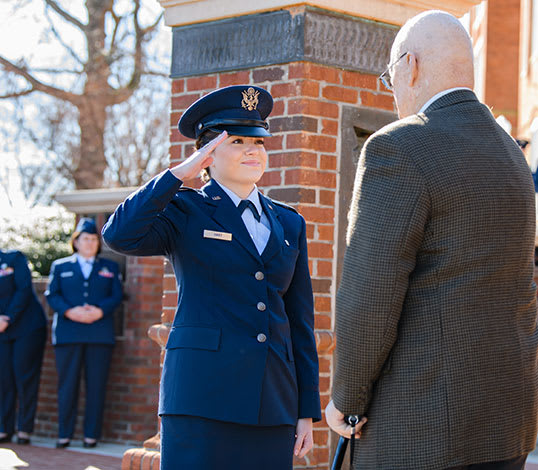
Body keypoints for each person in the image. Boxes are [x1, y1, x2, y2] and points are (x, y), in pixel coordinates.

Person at [326, 10, 538, 470]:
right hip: (506, 424)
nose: (395, 88)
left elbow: (370, 295)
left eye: (390, 76)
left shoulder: (397, 147)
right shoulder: (513, 158)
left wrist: (346, 398)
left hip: (420, 427)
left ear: (411, 66)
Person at [102, 85, 321, 470]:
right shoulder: (186, 209)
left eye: (258, 141)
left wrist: (305, 411)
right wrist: (178, 175)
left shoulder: (289, 222)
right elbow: (119, 235)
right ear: (208, 154)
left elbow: (299, 321)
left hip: (272, 401)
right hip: (201, 396)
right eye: (237, 141)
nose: (253, 150)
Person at [45, 218, 122, 449]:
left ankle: (91, 435)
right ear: (76, 242)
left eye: (93, 239)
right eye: (85, 239)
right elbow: (52, 295)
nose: (90, 243)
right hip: (69, 333)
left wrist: (100, 311)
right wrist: (70, 311)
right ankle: (64, 434)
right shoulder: (60, 266)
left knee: (96, 386)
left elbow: (116, 295)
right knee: (67, 385)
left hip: (99, 334)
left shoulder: (110, 267)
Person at [0, 249, 47, 445]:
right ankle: (4, 428)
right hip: (2, 330)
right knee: (3, 379)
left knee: (24, 377)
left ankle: (24, 429)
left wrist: (7, 317)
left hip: (27, 327)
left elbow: (23, 289)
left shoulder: (14, 259)